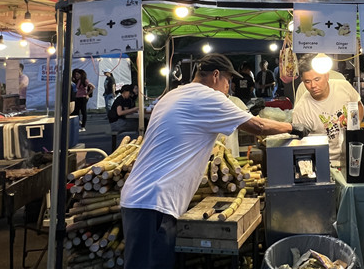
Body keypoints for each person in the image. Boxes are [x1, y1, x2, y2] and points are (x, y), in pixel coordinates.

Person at [120, 54, 308, 269]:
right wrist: (293, 127)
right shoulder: (207, 97)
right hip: (154, 202)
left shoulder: (173, 94)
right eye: (229, 80)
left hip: (142, 198)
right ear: (216, 75)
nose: (229, 86)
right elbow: (258, 126)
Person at [292, 54, 364, 167]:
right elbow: (300, 147)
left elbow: (358, 105)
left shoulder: (343, 87)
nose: (313, 85)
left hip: (352, 157)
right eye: (307, 81)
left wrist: (355, 125)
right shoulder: (301, 110)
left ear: (326, 76)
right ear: (302, 81)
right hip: (324, 163)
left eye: (317, 79)